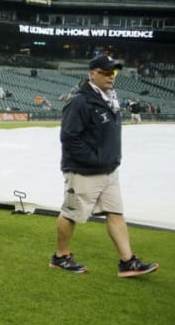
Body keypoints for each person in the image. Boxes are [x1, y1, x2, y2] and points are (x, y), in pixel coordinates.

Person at [51, 55, 158, 277]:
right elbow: (69, 138)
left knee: (116, 213)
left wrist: (108, 160)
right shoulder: (80, 101)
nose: (111, 77)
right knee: (71, 213)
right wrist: (94, 158)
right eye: (106, 72)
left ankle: (127, 262)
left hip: (109, 170)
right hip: (84, 170)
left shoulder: (110, 97)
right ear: (92, 73)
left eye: (114, 73)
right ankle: (60, 257)